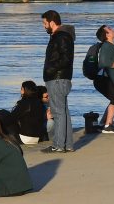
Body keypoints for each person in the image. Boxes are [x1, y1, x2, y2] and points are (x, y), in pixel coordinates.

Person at [41, 10, 75, 153]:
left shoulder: (61, 37)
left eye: (45, 23)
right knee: (63, 112)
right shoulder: (62, 36)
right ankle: (67, 144)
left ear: (52, 22)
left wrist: (50, 70)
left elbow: (65, 58)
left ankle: (59, 145)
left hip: (57, 79)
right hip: (61, 78)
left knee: (58, 112)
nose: (44, 26)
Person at [12, 81, 45, 146]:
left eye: (21, 88)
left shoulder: (24, 103)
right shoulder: (39, 103)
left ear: (25, 90)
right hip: (37, 138)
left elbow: (12, 117)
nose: (20, 90)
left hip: (25, 138)